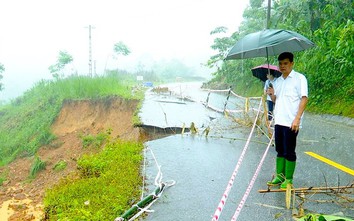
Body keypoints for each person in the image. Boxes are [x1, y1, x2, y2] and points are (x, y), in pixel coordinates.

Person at [266, 52, 308, 189]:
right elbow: (276, 101)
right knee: (279, 149)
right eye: (280, 63)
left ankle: (288, 179)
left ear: (291, 63)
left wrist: (297, 118)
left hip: (292, 122)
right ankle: (280, 176)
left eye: (285, 63)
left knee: (289, 150)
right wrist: (272, 94)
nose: (282, 66)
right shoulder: (277, 81)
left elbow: (304, 98)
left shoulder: (299, 78)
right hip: (279, 121)